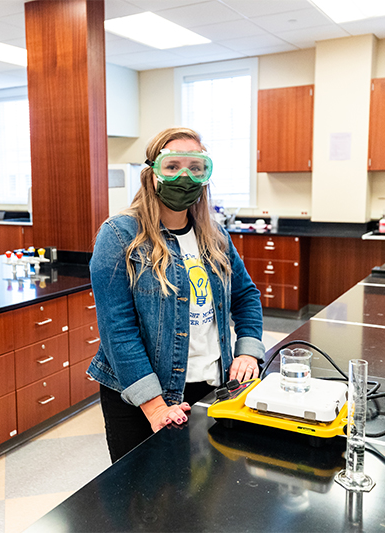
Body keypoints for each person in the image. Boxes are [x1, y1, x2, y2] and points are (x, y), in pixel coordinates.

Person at [87, 127, 265, 463]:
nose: (184, 177)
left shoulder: (215, 236)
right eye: (172, 167)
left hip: (213, 386)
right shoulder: (118, 236)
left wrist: (248, 351)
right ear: (151, 174)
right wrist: (155, 406)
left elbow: (246, 296)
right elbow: (117, 331)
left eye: (195, 168)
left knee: (205, 494)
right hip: (142, 396)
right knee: (145, 503)